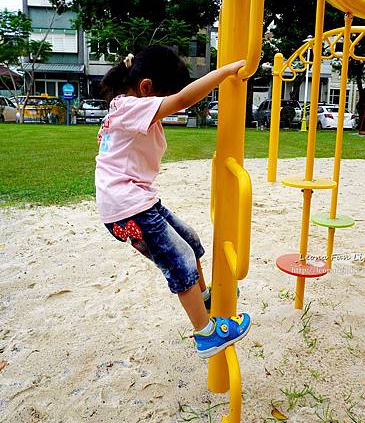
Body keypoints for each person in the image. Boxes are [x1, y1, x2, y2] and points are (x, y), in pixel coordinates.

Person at [95, 45, 251, 358]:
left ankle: (204, 297)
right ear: (146, 88)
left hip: (138, 201)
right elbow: (183, 99)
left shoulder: (124, 107)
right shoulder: (129, 106)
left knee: (189, 241)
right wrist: (224, 72)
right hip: (128, 207)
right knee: (178, 261)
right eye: (162, 99)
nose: (169, 109)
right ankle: (206, 334)